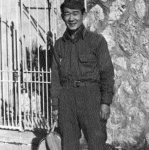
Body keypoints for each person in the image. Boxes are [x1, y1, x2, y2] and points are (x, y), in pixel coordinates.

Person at [50, 0, 115, 149]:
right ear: (62, 16)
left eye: (75, 14)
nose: (71, 18)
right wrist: (55, 106)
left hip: (91, 98)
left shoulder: (96, 41)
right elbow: (55, 78)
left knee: (96, 142)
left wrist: (105, 102)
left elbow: (107, 73)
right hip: (66, 100)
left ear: (83, 15)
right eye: (67, 14)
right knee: (68, 144)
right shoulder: (59, 45)